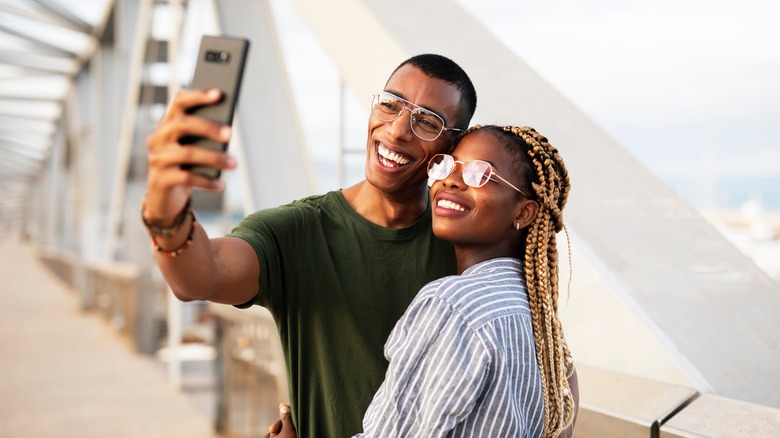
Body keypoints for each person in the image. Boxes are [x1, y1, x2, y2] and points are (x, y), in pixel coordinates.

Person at [142, 53, 477, 438]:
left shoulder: (468, 247)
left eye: (427, 122)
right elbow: (200, 277)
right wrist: (164, 204)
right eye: (390, 104)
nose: (398, 129)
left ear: (455, 145)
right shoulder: (297, 231)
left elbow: (557, 373)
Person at [267, 125, 580, 437]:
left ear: (524, 212)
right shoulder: (544, 330)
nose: (451, 180)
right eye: (447, 164)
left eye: (479, 173)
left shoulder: (454, 306)